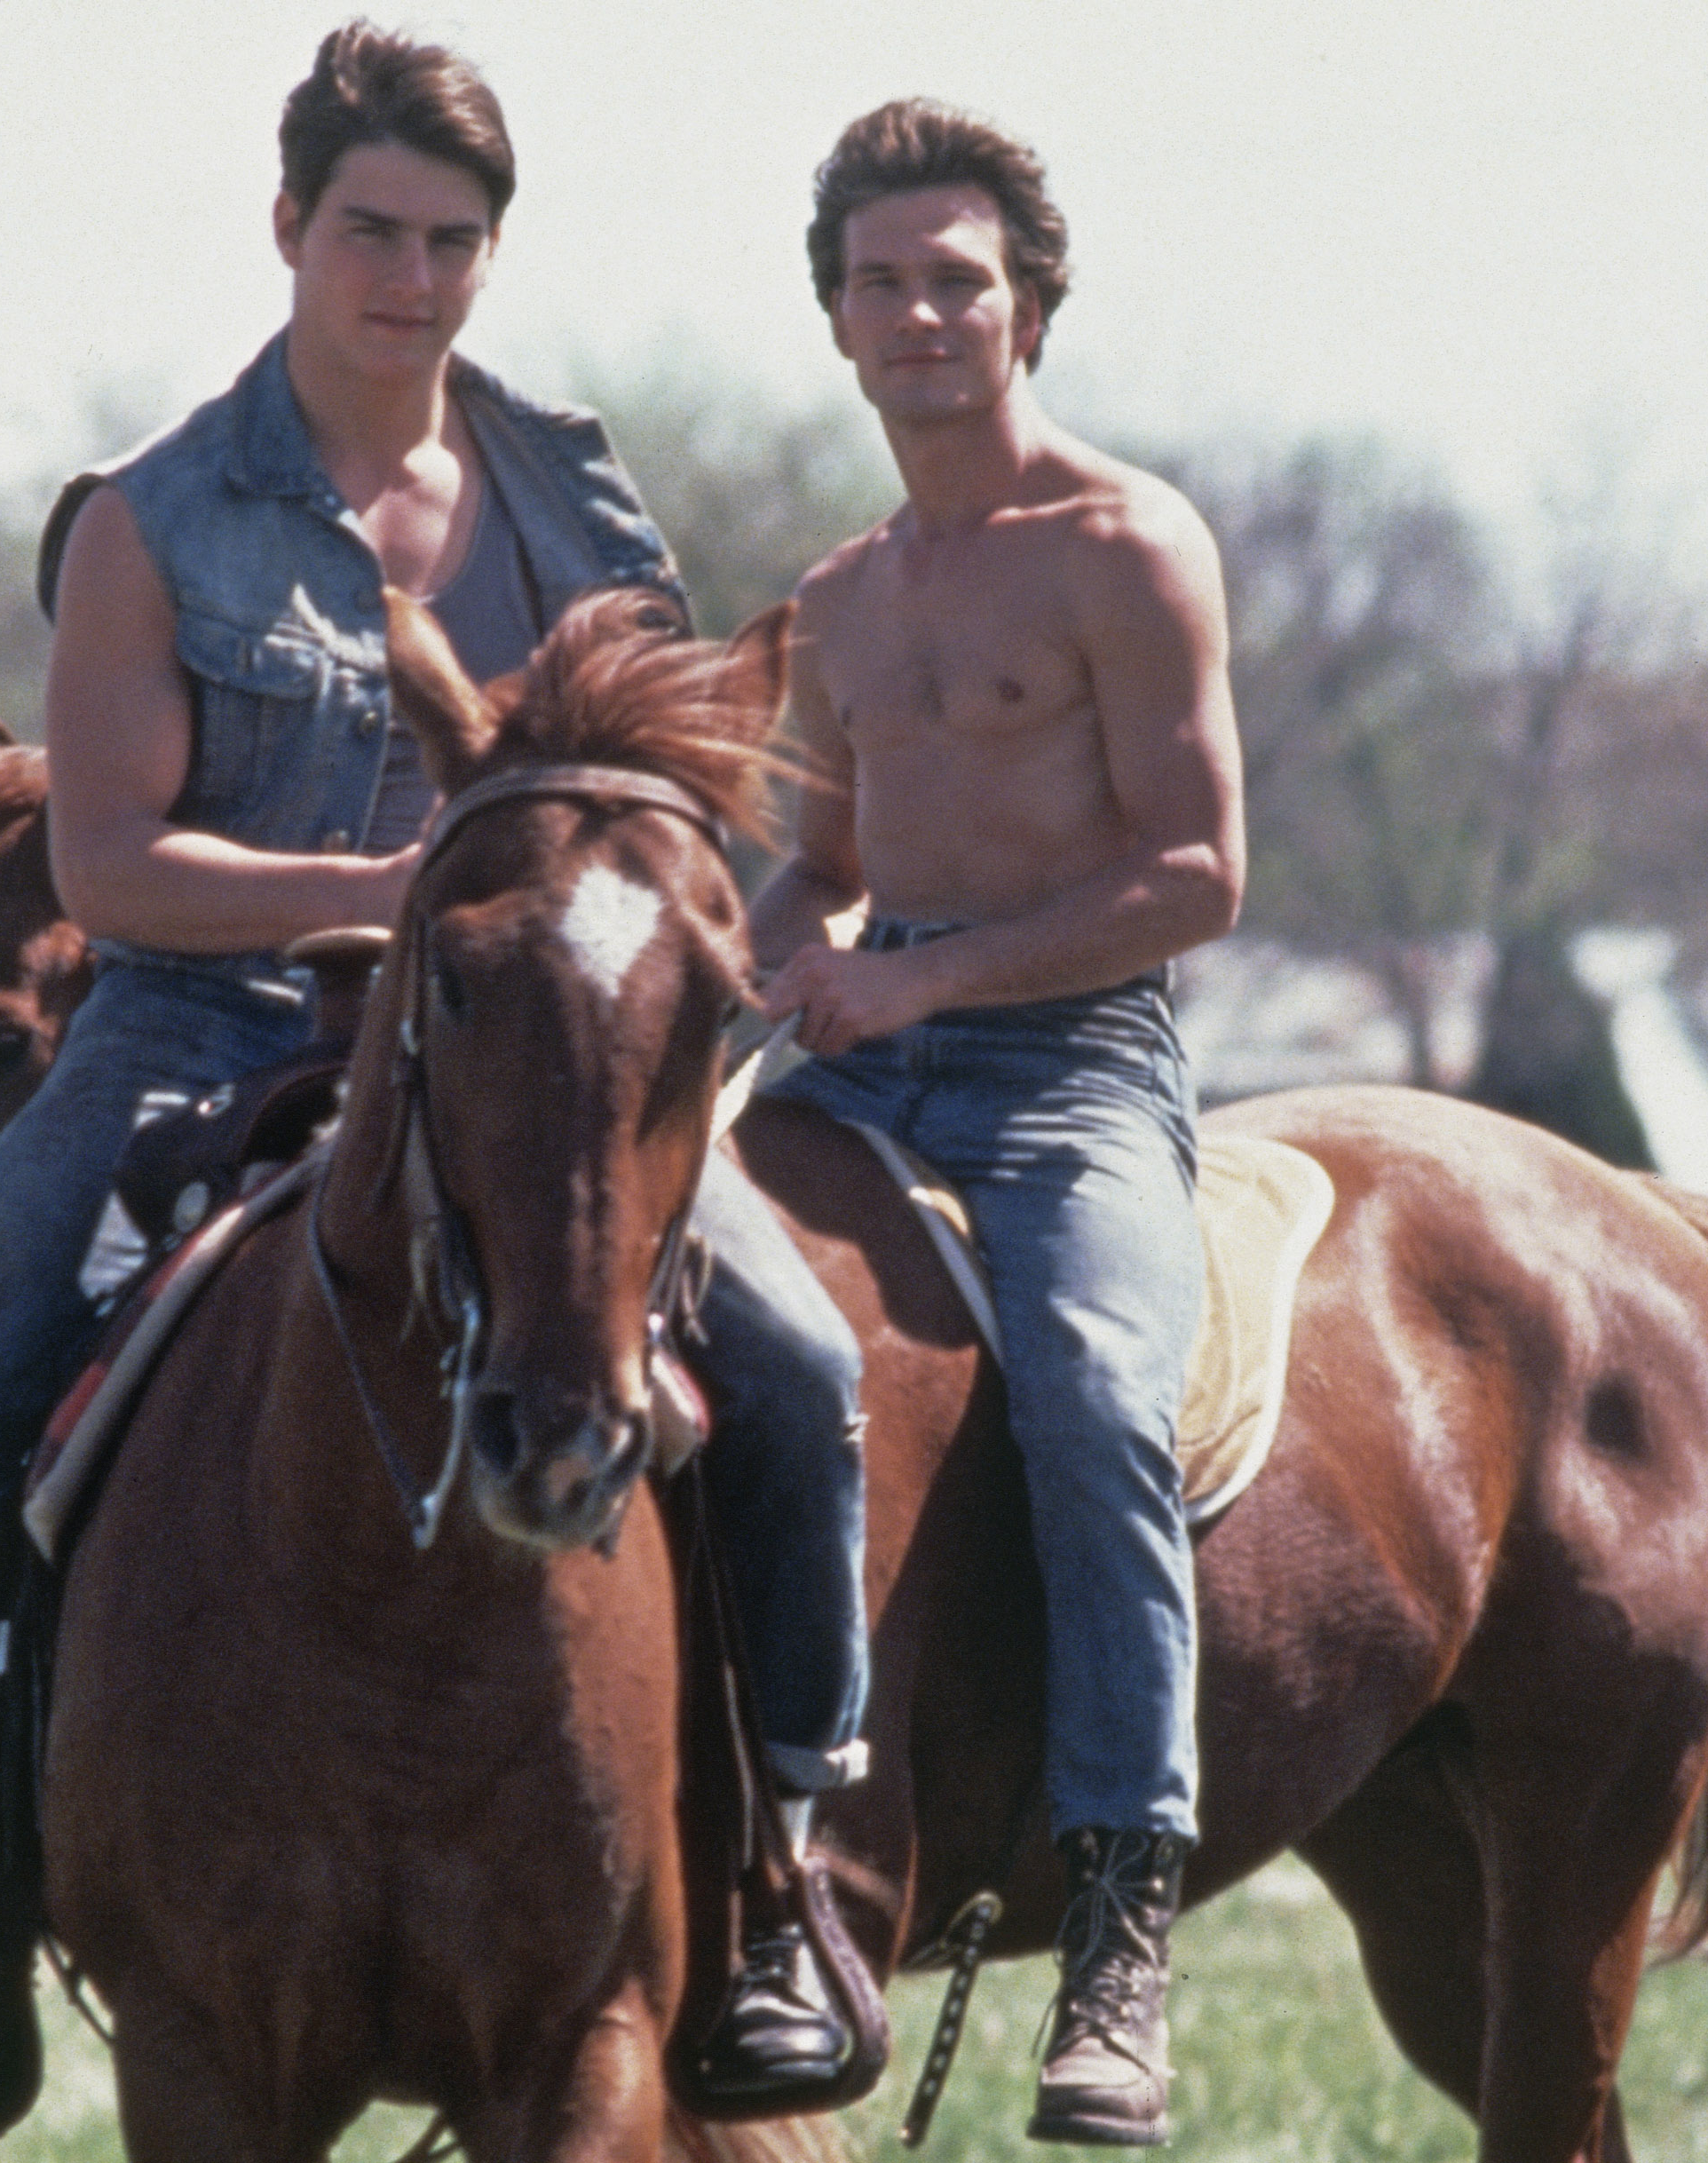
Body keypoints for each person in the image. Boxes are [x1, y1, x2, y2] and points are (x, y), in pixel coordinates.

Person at [0, 22, 874, 2128]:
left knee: (801, 1368)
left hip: (537, 1047)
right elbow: (116, 860)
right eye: (374, 233)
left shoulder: (571, 483)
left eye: (455, 241)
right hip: (193, 1026)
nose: (412, 279)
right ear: (290, 226)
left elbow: (654, 781)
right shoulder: (153, 518)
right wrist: (394, 888)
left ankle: (782, 1873)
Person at [751, 99, 1246, 2148]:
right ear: (839, 323)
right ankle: (769, 1865)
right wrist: (733, 962)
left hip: (1071, 1060)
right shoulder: (839, 598)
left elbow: (1201, 873)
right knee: (680, 1353)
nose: (921, 313)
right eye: (882, 282)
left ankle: (1124, 1923)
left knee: (1102, 1399)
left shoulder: (1127, 544)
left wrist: (927, 977)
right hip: (858, 1052)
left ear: (1027, 306)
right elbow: (817, 866)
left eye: (957, 278)